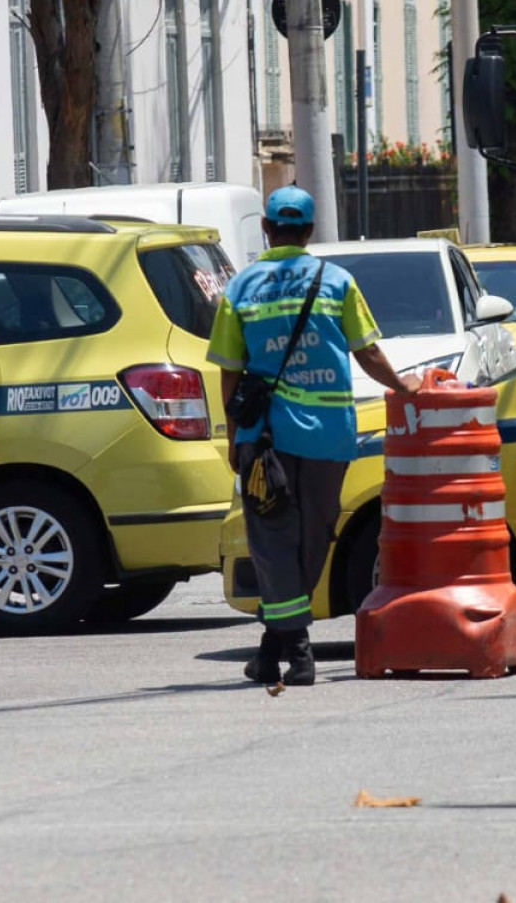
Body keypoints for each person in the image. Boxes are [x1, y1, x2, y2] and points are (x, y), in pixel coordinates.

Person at [207, 186, 419, 687]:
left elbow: (230, 374)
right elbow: (367, 352)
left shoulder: (240, 288)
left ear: (265, 228)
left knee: (273, 541)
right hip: (329, 439)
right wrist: (403, 384)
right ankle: (272, 652)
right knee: (312, 539)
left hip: (267, 439)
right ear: (309, 230)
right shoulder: (337, 282)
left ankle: (297, 655)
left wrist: (236, 437)